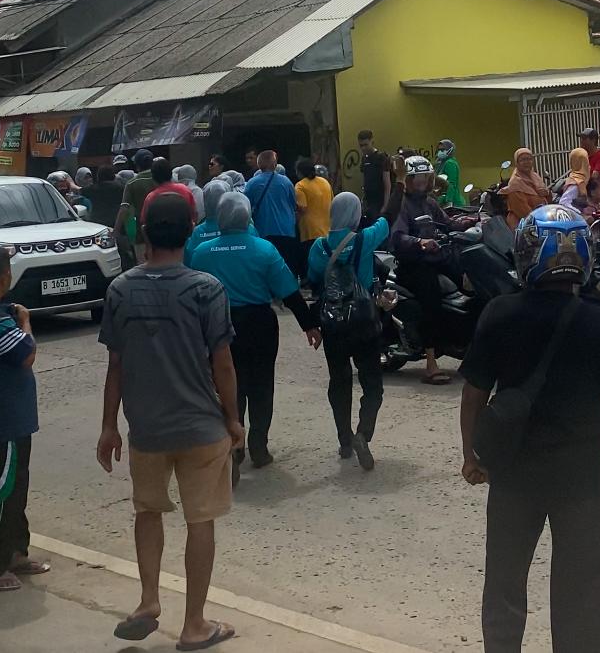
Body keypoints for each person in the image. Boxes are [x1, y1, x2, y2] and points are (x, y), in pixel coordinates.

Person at [460, 204, 600, 653]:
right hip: (582, 477)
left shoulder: (499, 314)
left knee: (505, 585)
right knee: (583, 595)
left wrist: (471, 455)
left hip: (514, 473)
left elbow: (474, 394)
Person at [96, 193, 241, 650]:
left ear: (143, 232)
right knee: (201, 523)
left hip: (147, 430)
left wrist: (108, 426)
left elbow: (115, 365)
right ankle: (195, 624)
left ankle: (148, 601)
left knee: (147, 512)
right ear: (191, 230)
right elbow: (223, 365)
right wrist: (234, 420)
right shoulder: (206, 288)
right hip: (201, 427)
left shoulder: (121, 289)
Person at [191, 192, 320, 477]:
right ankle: (259, 448)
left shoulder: (200, 253)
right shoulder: (265, 250)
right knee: (261, 385)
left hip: (218, 326)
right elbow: (289, 292)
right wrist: (309, 325)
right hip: (260, 324)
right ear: (247, 217)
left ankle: (233, 447)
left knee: (226, 385)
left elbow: (190, 297)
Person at [309, 183, 403, 469]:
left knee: (339, 381)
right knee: (372, 383)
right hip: (364, 321)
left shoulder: (319, 245)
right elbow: (389, 216)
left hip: (334, 324)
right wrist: (397, 183)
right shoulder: (365, 238)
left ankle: (344, 440)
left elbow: (314, 281)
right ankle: (364, 432)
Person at [0, 246, 49, 593]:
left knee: (15, 487)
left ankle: (15, 551)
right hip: (2, 421)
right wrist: (24, 320)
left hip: (10, 421)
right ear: (4, 277)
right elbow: (25, 354)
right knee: (0, 492)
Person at [390, 155, 461, 385]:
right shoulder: (402, 203)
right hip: (414, 265)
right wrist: (419, 242)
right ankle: (431, 363)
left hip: (436, 258)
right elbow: (398, 236)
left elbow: (446, 222)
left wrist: (470, 221)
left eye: (424, 177)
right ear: (408, 179)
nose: (420, 181)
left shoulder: (429, 202)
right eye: (415, 177)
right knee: (432, 299)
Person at [244, 150, 299, 276]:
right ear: (275, 164)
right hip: (286, 230)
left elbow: (247, 206)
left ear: (259, 165)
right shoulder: (286, 182)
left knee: (267, 267)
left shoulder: (252, 183)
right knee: (286, 266)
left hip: (264, 230)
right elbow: (293, 204)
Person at [114, 149, 156, 264]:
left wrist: (115, 231)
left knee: (144, 267)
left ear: (137, 165)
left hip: (141, 232)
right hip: (162, 229)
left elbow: (124, 209)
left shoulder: (132, 183)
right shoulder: (161, 179)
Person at [294, 158, 333, 278]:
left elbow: (302, 208)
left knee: (311, 262)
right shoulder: (324, 182)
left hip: (309, 230)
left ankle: (312, 286)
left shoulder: (300, 186)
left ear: (300, 172)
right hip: (327, 229)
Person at [140, 158, 197, 237]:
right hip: (184, 239)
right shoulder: (185, 190)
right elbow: (194, 214)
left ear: (153, 178)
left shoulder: (151, 197)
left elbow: (144, 222)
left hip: (160, 242)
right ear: (171, 173)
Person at [503, 148, 552, 226]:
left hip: (541, 221)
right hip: (524, 225)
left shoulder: (535, 177)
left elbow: (547, 200)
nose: (527, 162)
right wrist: (539, 222)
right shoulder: (515, 184)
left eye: (529, 159)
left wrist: (547, 193)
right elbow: (524, 212)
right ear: (517, 163)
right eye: (523, 160)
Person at [358, 130, 392, 223]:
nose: (363, 148)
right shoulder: (364, 159)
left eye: (366, 144)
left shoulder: (382, 158)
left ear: (372, 141)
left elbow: (387, 184)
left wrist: (385, 205)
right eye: (361, 145)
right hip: (369, 202)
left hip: (379, 201)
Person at [436, 139, 466, 208]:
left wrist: (449, 201)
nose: (440, 152)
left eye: (443, 150)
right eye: (439, 150)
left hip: (453, 202)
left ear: (450, 150)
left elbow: (452, 183)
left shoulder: (450, 163)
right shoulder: (442, 163)